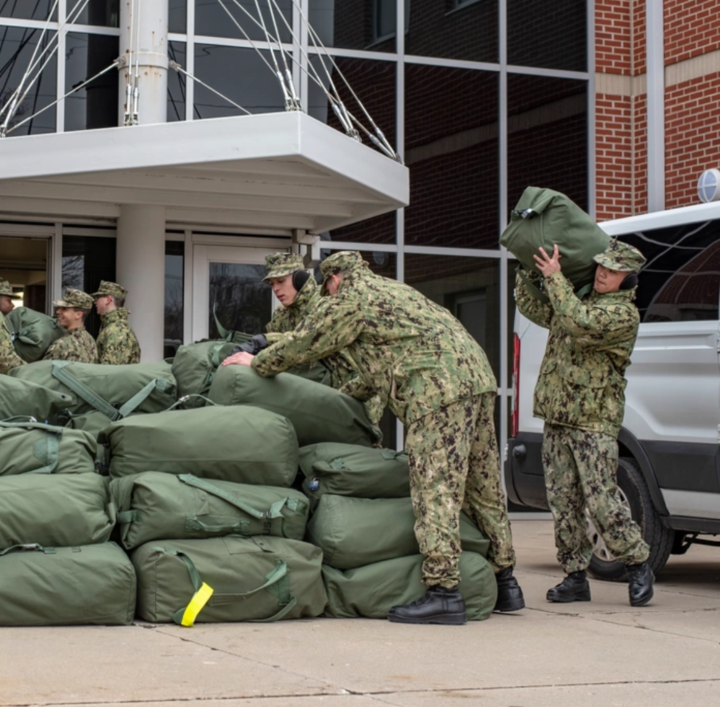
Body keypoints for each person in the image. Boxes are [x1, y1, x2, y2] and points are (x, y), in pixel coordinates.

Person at [223, 250, 524, 624]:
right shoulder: (392, 293)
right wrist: (341, 405)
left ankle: (443, 591)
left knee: (435, 489)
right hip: (476, 379)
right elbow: (372, 374)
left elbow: (309, 342)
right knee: (484, 487)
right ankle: (506, 582)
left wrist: (258, 361)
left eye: (327, 290)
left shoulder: (352, 297)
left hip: (436, 389)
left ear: (333, 280)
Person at [521, 239, 654, 607]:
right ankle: (575, 576)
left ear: (628, 280)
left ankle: (638, 561)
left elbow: (579, 323)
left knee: (601, 500)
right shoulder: (577, 300)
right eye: (601, 266)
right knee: (564, 502)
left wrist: (555, 278)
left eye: (611, 270)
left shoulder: (621, 316)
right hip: (559, 417)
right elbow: (534, 306)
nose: (601, 272)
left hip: (593, 421)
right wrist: (526, 271)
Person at [236, 252, 385, 427]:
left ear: (300, 278)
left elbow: (306, 341)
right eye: (272, 284)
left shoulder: (327, 304)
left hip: (353, 397)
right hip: (309, 402)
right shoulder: (281, 317)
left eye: (281, 281)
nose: (275, 289)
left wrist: (265, 342)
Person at [91, 281, 141, 364]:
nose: (95, 302)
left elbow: (110, 372)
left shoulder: (117, 331)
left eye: (98, 298)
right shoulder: (113, 327)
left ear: (108, 299)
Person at [43, 289, 98, 363]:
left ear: (78, 315)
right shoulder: (90, 340)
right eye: (59, 308)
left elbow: (42, 372)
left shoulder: (61, 344)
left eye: (64, 309)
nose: (58, 311)